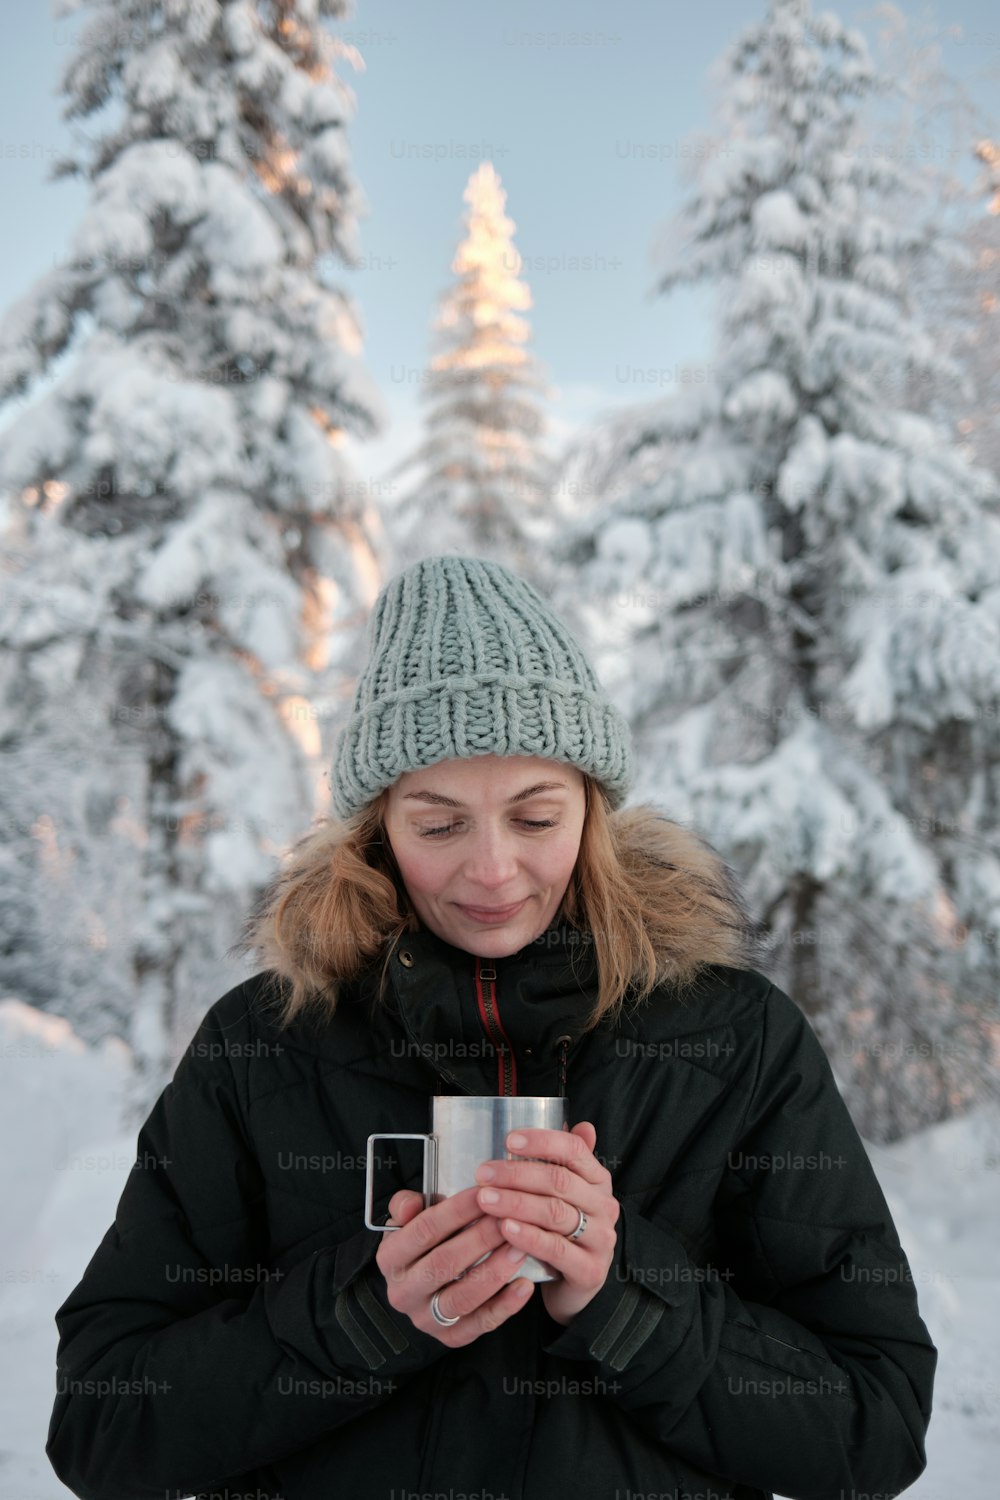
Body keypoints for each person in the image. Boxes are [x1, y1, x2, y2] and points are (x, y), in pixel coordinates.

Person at [46, 553, 937, 1500]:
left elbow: (873, 1427)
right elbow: (103, 1422)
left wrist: (628, 1299)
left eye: (535, 816)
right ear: (377, 827)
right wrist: (359, 1317)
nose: (493, 871)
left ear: (591, 810)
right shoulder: (265, 1046)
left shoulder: (735, 1039)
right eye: (439, 826)